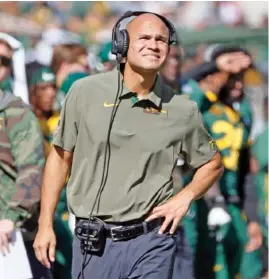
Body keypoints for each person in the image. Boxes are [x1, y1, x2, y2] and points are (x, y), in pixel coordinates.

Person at [34, 11, 223, 279]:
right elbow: (60, 157)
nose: (154, 44)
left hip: (153, 241)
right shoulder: (84, 93)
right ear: (121, 44)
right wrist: (45, 224)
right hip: (94, 244)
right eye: (144, 37)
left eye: (161, 39)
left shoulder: (182, 108)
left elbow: (212, 163)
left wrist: (185, 197)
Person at [202, 72, 263, 279]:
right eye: (231, 78)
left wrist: (252, 217)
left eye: (240, 78)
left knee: (247, 263)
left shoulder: (242, 111)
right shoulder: (201, 105)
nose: (237, 85)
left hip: (235, 200)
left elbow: (246, 170)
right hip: (206, 200)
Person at [0, 39, 50, 279]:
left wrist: (10, 218)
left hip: (11, 232)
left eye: (3, 61)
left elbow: (32, 170)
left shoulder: (16, 113)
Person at [29, 66, 73, 279]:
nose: (49, 93)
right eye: (43, 88)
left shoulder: (62, 119)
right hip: (35, 201)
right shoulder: (27, 121)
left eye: (52, 87)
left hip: (64, 198)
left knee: (68, 259)